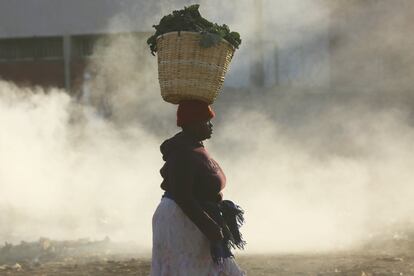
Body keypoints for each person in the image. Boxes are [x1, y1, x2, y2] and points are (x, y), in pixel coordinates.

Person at [151, 100, 246, 276]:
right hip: (180, 218)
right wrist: (209, 225)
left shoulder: (194, 147)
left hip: (191, 216)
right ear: (193, 124)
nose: (210, 126)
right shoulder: (183, 153)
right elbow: (183, 196)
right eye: (206, 121)